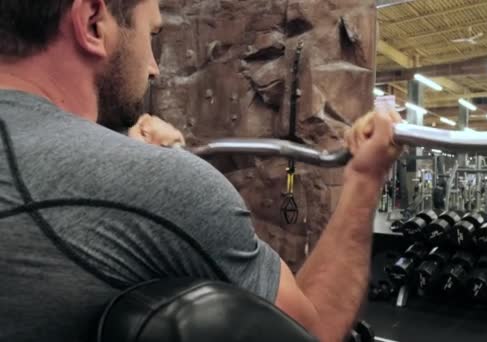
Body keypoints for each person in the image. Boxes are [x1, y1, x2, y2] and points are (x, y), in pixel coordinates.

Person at [0, 1, 402, 341]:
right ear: (92, 22)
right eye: (151, 37)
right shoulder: (157, 186)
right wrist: (365, 178)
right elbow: (311, 329)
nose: (155, 67)